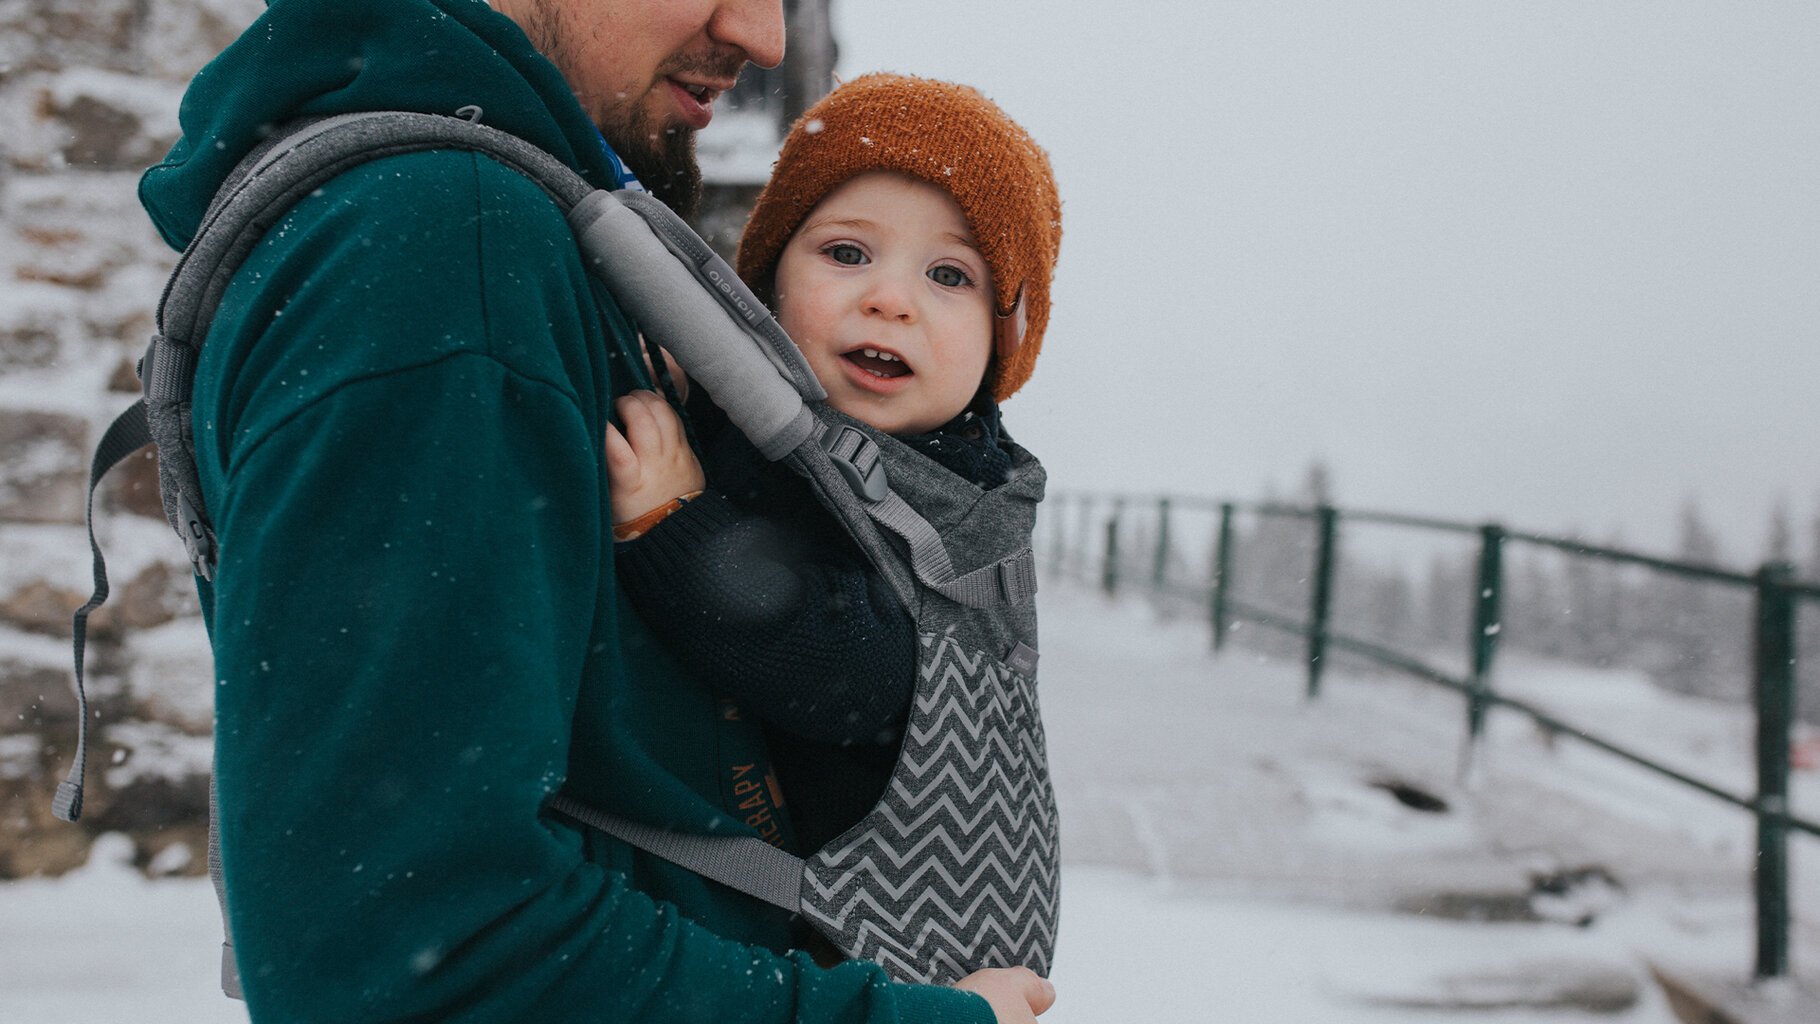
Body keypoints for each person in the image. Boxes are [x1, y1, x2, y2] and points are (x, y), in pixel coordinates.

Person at [137, 0, 1053, 1020]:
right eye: (844, 253)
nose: (763, 36)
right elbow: (411, 951)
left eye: (949, 276)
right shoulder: (445, 243)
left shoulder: (493, 236)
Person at [605, 74, 1061, 886]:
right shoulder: (769, 414)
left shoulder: (954, 501)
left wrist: (676, 523)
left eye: (950, 276)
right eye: (847, 253)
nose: (889, 300)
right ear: (768, 285)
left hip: (850, 916)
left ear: (1002, 344)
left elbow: (849, 674)